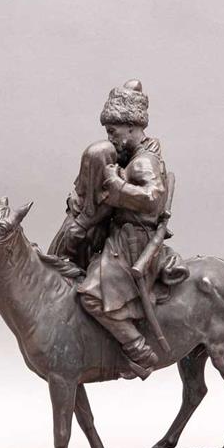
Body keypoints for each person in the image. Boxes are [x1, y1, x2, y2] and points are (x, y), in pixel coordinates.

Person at [49, 80, 187, 378]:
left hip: (134, 241)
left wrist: (116, 185)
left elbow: (152, 197)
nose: (110, 137)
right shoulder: (131, 157)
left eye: (113, 131)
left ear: (132, 127)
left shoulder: (143, 162)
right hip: (120, 235)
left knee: (92, 296)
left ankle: (140, 352)